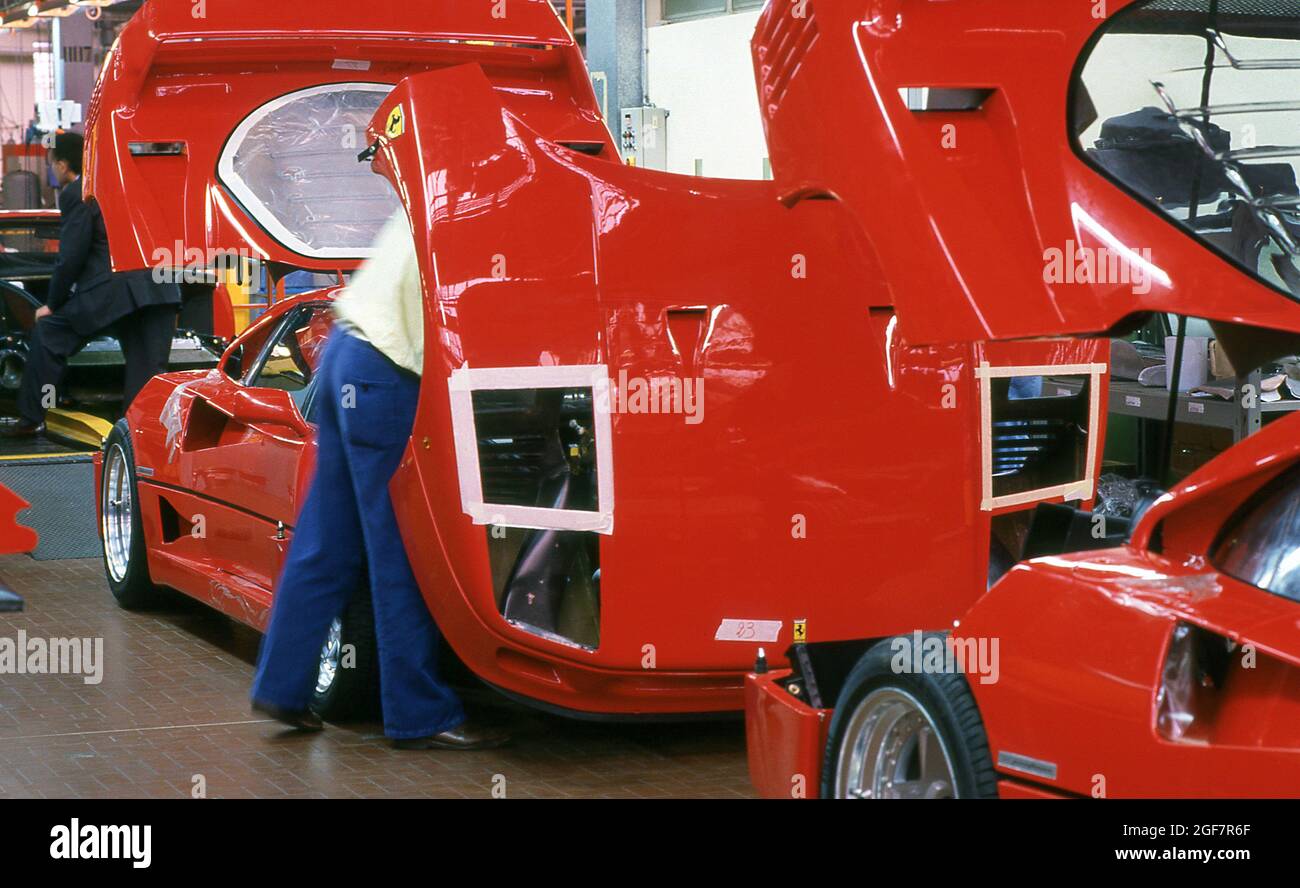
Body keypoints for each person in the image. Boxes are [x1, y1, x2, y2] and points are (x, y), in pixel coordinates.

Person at [250, 211, 508, 751]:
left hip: (348, 353)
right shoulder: (481, 209)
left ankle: (282, 683)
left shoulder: (432, 186)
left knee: (325, 539)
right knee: (400, 542)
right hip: (385, 372)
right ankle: (418, 712)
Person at [0, 132, 180, 438]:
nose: (52, 172)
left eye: (52, 165)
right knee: (146, 373)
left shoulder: (80, 191)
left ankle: (34, 416)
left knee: (49, 334)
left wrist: (52, 305)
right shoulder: (139, 184)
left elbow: (70, 257)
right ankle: (138, 436)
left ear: (63, 165)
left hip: (111, 292)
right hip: (160, 289)